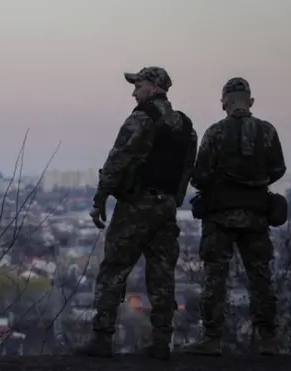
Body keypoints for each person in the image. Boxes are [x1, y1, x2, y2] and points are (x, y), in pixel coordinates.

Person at [80, 66, 198, 359]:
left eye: (138, 85)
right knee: (161, 275)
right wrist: (173, 200)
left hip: (136, 206)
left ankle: (102, 338)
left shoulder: (142, 118)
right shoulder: (186, 126)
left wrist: (100, 198)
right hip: (166, 207)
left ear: (154, 87)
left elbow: (118, 158)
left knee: (114, 269)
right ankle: (161, 342)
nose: (134, 91)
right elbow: (187, 169)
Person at [182, 77, 286, 356]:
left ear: (225, 102)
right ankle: (268, 339)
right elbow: (278, 170)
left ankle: (212, 337)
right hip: (256, 217)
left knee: (216, 276)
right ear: (250, 101)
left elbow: (200, 176)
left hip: (220, 218)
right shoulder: (268, 132)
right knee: (260, 277)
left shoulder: (215, 133)